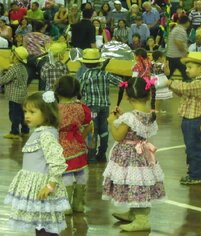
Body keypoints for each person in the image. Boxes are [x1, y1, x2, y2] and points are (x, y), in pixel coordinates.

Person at [103, 76, 165, 232]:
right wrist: (123, 118)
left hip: (129, 156)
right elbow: (136, 128)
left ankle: (142, 219)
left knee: (135, 184)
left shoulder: (130, 117)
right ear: (149, 95)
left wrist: (111, 121)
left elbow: (118, 136)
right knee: (137, 183)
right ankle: (134, 213)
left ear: (126, 96)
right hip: (142, 154)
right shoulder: (149, 115)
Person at [4, 90, 70, 235]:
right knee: (41, 226)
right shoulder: (40, 131)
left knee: (45, 228)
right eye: (25, 111)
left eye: (32, 112)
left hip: (43, 189)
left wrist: (50, 185)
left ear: (46, 113)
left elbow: (57, 162)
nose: (27, 115)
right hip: (37, 189)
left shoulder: (46, 134)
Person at [165, 52, 201, 184]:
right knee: (192, 147)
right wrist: (170, 82)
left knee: (194, 148)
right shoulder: (196, 82)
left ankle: (196, 175)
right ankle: (194, 172)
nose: (186, 70)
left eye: (190, 67)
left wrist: (170, 82)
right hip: (189, 120)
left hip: (195, 121)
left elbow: (186, 88)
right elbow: (181, 92)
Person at [54, 75, 92, 215]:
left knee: (66, 175)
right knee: (81, 173)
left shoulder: (54, 109)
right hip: (78, 145)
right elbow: (89, 125)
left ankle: (65, 206)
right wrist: (81, 137)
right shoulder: (82, 107)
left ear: (57, 91)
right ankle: (79, 204)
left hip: (60, 145)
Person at [79, 48, 123, 163]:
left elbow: (80, 91)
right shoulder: (106, 74)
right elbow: (121, 83)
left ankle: (92, 157)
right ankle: (102, 154)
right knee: (104, 130)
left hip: (91, 107)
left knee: (92, 131)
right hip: (105, 106)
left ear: (85, 63)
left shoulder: (85, 76)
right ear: (99, 62)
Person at [0, 46, 30, 139]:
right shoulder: (23, 68)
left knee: (14, 115)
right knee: (22, 114)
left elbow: (3, 80)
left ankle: (14, 132)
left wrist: (1, 72)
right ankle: (25, 130)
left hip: (14, 97)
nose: (10, 55)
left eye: (12, 54)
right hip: (22, 96)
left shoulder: (14, 69)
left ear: (16, 57)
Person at [166, 15, 190, 81]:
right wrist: (185, 52)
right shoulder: (180, 30)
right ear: (187, 22)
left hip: (172, 56)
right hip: (177, 57)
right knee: (187, 74)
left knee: (168, 75)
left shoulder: (176, 28)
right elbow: (178, 43)